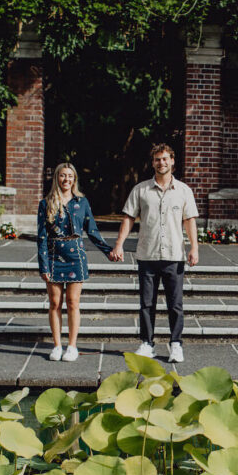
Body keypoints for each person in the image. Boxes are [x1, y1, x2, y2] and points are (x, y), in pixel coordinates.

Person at [109, 143, 199, 362]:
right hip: (147, 256)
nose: (162, 163)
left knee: (175, 304)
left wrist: (194, 247)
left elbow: (189, 220)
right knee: (146, 303)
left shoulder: (184, 191)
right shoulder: (140, 190)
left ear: (172, 161)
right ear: (153, 163)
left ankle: (176, 344)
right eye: (158, 159)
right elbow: (129, 218)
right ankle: (147, 343)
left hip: (173, 256)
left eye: (165, 158)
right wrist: (119, 244)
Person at [36, 163, 114, 361]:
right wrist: (43, 265)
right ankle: (56, 346)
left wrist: (109, 251)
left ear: (74, 179)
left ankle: (72, 346)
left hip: (76, 256)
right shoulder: (45, 204)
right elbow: (41, 237)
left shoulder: (82, 202)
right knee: (55, 303)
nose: (66, 180)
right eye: (62, 176)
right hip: (53, 256)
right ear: (57, 178)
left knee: (73, 302)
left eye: (70, 176)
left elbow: (93, 231)